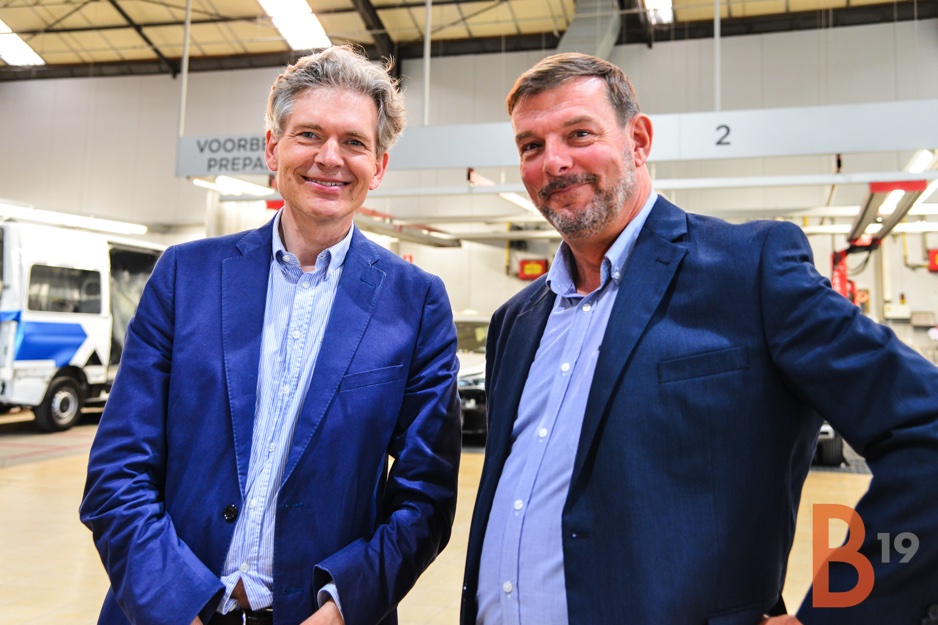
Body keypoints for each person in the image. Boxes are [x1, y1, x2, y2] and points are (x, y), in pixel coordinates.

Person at [461, 52, 938, 625]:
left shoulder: (749, 271)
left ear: (638, 140)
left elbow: (926, 429)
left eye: (579, 134)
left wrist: (837, 614)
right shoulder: (515, 321)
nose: (553, 162)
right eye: (531, 146)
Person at [81, 45, 462, 625]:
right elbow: (118, 468)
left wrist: (340, 610)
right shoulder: (185, 276)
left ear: (379, 166)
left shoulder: (416, 303)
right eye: (309, 134)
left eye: (354, 142)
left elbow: (425, 498)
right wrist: (177, 608)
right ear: (272, 148)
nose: (329, 158)